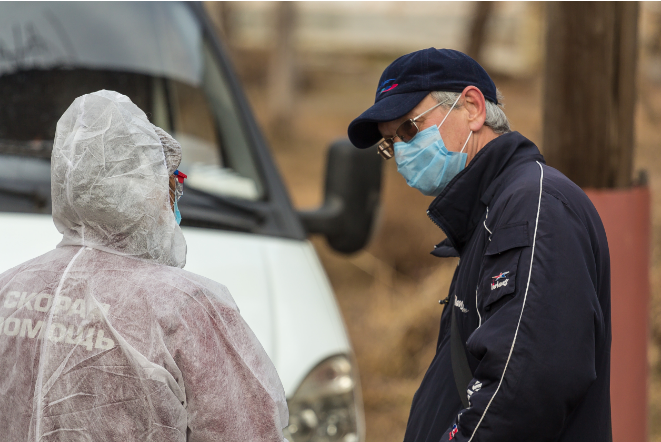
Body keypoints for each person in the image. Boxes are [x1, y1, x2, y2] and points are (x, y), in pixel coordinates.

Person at [348, 48, 611, 442]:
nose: (401, 152)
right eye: (390, 144)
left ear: (472, 107)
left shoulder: (534, 207)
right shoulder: (492, 213)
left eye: (408, 130)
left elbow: (523, 385)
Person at [0, 90, 288, 441]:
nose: (173, 198)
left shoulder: (8, 290)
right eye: (171, 183)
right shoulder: (186, 306)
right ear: (143, 187)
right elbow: (247, 430)